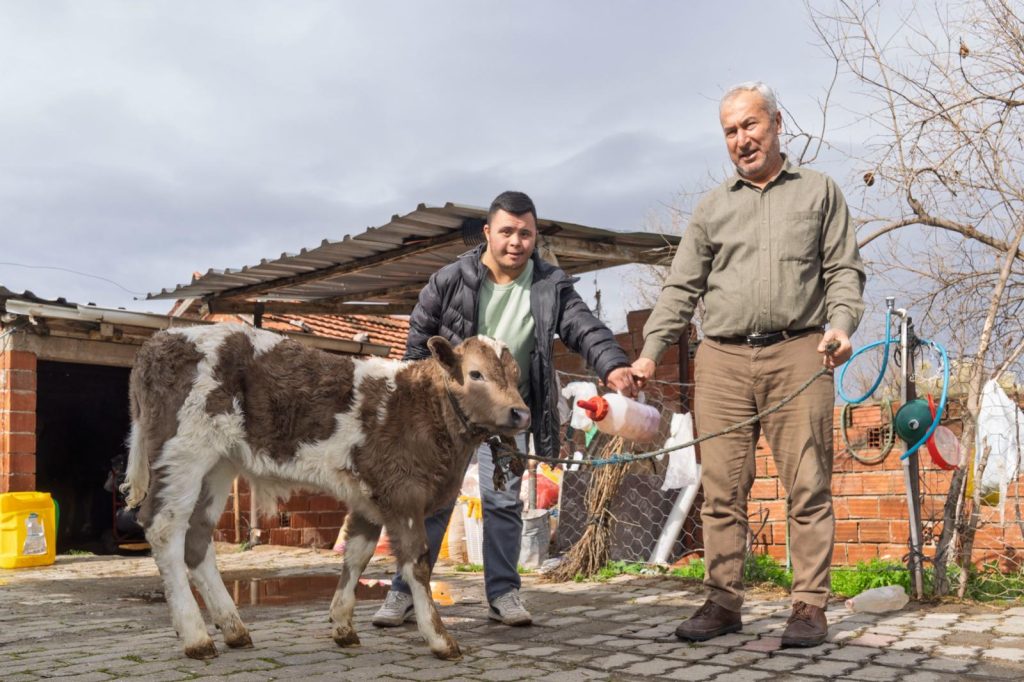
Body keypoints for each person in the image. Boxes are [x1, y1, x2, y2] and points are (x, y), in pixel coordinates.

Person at [631, 82, 865, 648]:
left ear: (777, 123)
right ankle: (722, 602)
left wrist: (841, 326)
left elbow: (843, 272)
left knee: (807, 486)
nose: (742, 139)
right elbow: (681, 288)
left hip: (799, 352)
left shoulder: (819, 192)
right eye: (731, 132)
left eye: (750, 126)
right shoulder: (713, 207)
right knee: (721, 491)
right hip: (724, 359)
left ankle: (809, 606)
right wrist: (648, 353)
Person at [373, 190, 638, 627]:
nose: (516, 241)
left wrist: (613, 364)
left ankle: (503, 594)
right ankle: (404, 592)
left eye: (526, 233)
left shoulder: (550, 285)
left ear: (535, 237)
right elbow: (419, 340)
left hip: (507, 413)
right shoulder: (450, 280)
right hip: (449, 415)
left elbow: (584, 328)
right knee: (433, 504)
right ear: (487, 233)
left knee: (501, 502)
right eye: (507, 232)